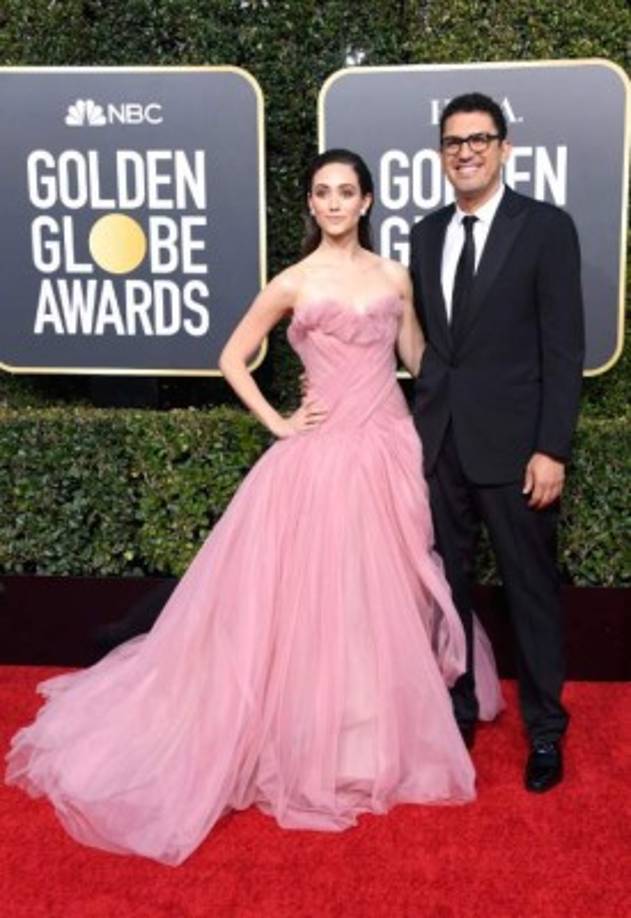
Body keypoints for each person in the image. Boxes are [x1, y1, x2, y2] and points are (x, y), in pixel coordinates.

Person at [6, 149, 502, 867]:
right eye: (321, 192)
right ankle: (313, 733)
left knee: (384, 591)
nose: (332, 203)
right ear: (311, 204)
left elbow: (419, 361)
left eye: (345, 192)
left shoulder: (394, 275)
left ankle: (366, 733)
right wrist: (276, 421)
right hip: (321, 453)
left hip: (390, 448)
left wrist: (466, 404)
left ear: (366, 202)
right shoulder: (292, 282)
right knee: (318, 595)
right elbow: (232, 355)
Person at [409, 93, 584, 792]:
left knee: (530, 592)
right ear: (441, 153)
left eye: (478, 139)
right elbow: (429, 347)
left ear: (504, 147)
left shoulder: (544, 228)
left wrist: (552, 448)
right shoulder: (424, 234)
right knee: (445, 592)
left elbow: (561, 348)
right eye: (452, 142)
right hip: (440, 446)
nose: (465, 151)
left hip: (516, 452)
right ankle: (456, 713)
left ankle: (545, 731)